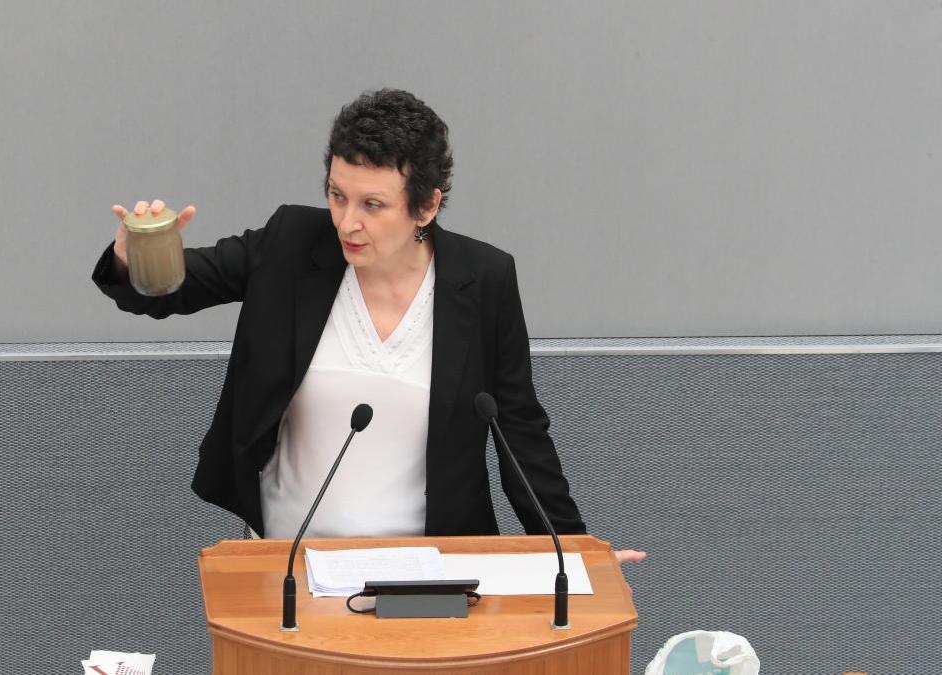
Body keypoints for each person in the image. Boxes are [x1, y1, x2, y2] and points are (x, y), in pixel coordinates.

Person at [92, 89, 645, 566]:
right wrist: (136, 255)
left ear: (426, 207)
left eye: (373, 204)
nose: (346, 222)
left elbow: (520, 429)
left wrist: (571, 551)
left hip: (431, 569)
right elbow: (170, 291)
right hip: (289, 560)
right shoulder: (290, 244)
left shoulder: (483, 279)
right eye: (337, 194)